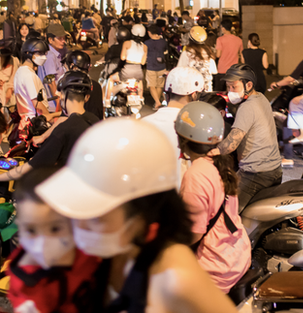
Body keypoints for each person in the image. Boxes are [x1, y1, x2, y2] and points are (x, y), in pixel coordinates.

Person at [35, 118, 238, 313]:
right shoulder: (101, 252)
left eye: (96, 214)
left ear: (140, 212)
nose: (80, 225)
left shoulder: (173, 271)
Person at [175, 102, 252, 292]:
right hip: (237, 255)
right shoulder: (219, 162)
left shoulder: (196, 175)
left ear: (182, 140)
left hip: (215, 268)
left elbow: (195, 232)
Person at [8, 167, 103, 313]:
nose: (42, 243)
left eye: (55, 229)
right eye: (31, 230)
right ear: (19, 226)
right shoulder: (23, 278)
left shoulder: (93, 252)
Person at [0, 71, 98, 183]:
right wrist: (43, 136)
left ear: (62, 95)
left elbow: (26, 169)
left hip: (68, 189)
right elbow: (64, 119)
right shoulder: (95, 121)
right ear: (87, 97)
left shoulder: (63, 131)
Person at [215, 64, 282, 211]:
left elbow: (231, 144)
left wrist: (210, 153)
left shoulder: (247, 107)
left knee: (227, 212)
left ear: (249, 85)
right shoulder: (261, 98)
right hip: (274, 170)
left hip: (256, 174)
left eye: (234, 87)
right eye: (228, 87)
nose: (230, 91)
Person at [144, 66, 206, 185]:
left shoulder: (142, 124)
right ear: (194, 95)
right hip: (181, 198)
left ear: (166, 94)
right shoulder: (196, 128)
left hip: (146, 198)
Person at [13, 38, 59, 130]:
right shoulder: (28, 75)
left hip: (25, 122)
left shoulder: (20, 72)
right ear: (27, 53)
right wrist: (51, 121)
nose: (43, 57)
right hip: (35, 124)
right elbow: (37, 104)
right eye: (39, 53)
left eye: (44, 54)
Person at [65, 49, 103, 120]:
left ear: (73, 67)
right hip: (95, 126)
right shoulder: (96, 85)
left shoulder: (71, 86)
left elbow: (66, 115)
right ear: (89, 68)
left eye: (66, 68)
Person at [38, 23, 69, 112]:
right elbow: (51, 82)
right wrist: (59, 104)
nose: (63, 41)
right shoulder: (50, 56)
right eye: (60, 38)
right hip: (53, 104)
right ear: (50, 40)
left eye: (64, 38)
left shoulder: (55, 55)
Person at [178, 26, 218, 93]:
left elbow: (179, 70)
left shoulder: (186, 53)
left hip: (191, 91)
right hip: (207, 90)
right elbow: (214, 71)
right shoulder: (208, 53)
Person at [215, 19, 243, 90]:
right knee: (232, 90)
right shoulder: (239, 40)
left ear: (223, 28)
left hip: (222, 69)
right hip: (233, 70)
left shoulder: (220, 39)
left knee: (220, 91)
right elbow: (241, 54)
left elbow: (218, 55)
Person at [145, 24, 168, 110]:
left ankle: (157, 102)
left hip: (151, 66)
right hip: (162, 66)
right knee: (159, 85)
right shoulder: (163, 42)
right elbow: (165, 51)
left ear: (149, 33)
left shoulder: (146, 43)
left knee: (152, 85)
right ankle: (156, 102)